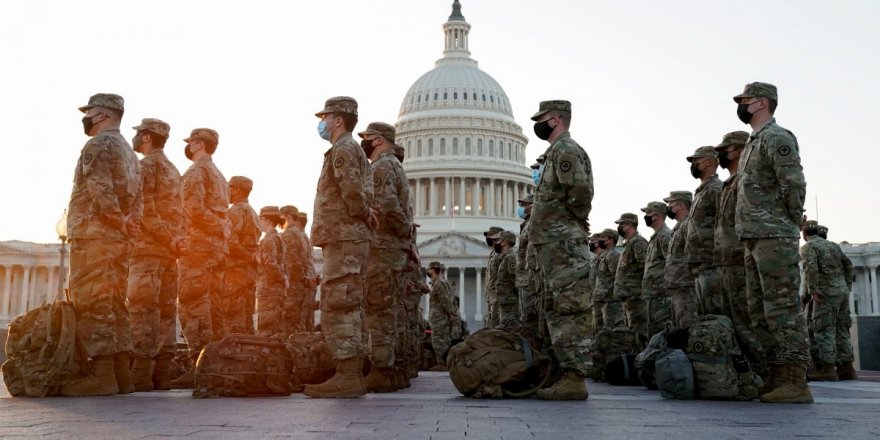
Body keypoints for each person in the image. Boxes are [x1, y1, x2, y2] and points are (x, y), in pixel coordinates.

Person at [733, 81, 811, 403]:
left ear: (762, 103)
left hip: (774, 235)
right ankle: (777, 375)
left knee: (782, 310)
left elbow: (793, 183)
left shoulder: (777, 137)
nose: (741, 105)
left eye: (745, 100)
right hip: (754, 236)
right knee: (759, 311)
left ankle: (795, 381)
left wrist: (787, 221)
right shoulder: (754, 141)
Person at [62, 93, 142, 396]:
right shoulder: (130, 153)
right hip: (119, 238)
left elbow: (99, 187)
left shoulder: (97, 145)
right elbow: (139, 198)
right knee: (115, 301)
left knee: (93, 300)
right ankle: (122, 373)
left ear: (104, 116)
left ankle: (102, 373)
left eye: (90, 112)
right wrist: (128, 224)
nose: (85, 117)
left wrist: (114, 219)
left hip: (94, 232)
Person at [305, 97, 376, 398]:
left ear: (338, 120)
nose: (321, 122)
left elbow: (351, 190)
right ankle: (350, 371)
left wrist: (362, 211)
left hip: (344, 236)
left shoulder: (344, 149)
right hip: (347, 236)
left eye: (325, 116)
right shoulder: (349, 149)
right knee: (347, 303)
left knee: (339, 303)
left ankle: (347, 374)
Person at [529, 100, 593, 400]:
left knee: (569, 308)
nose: (537, 124)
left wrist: (572, 221)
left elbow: (580, 192)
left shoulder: (565, 151)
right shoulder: (554, 153)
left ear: (555, 119)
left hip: (564, 243)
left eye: (541, 119)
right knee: (556, 308)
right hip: (554, 245)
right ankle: (562, 373)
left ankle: (574, 377)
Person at [127, 117, 186, 392]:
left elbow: (145, 208)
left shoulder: (146, 166)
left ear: (148, 137)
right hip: (168, 253)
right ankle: (161, 373)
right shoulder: (173, 169)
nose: (136, 138)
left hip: (148, 249)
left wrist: (165, 237)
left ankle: (141, 373)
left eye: (139, 134)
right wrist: (175, 241)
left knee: (143, 309)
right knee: (165, 311)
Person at [357, 122, 413, 392]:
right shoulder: (396, 166)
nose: (364, 143)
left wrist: (402, 230)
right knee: (388, 310)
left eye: (366, 138)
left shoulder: (381, 167)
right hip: (392, 249)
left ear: (378, 140)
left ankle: (381, 370)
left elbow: (388, 204)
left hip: (383, 248)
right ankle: (392, 369)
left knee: (378, 310)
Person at [172, 128, 228, 389]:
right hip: (217, 248)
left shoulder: (195, 172)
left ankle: (199, 364)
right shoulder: (219, 174)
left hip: (198, 244)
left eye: (190, 142)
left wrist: (214, 226)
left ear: (197, 145)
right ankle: (214, 362)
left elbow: (192, 209)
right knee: (213, 304)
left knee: (193, 302)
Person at [714, 131, 765, 377]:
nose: (720, 154)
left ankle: (764, 372)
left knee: (747, 321)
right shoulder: (729, 183)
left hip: (739, 259)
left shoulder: (744, 179)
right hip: (725, 262)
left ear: (736, 150)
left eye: (724, 149)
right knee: (734, 322)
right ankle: (749, 374)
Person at [800, 220, 855, 381]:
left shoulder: (809, 247)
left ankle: (828, 369)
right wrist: (846, 285)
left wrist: (813, 289)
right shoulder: (833, 245)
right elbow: (848, 265)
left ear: (804, 233)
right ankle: (847, 368)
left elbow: (810, 268)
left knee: (824, 330)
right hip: (842, 292)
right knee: (842, 329)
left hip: (825, 294)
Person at [685, 146, 724, 315]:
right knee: (704, 315)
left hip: (712, 263)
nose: (693, 165)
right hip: (701, 265)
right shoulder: (702, 191)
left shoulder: (715, 188)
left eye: (696, 161)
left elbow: (726, 221)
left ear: (709, 161)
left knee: (714, 314)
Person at [224, 176, 260, 334]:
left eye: (229, 187)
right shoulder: (252, 213)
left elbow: (230, 242)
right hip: (249, 274)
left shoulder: (235, 211)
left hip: (235, 273)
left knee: (233, 319)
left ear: (237, 190)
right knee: (246, 319)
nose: (227, 191)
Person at [612, 213, 648, 345]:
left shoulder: (638, 242)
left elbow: (645, 267)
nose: (619, 227)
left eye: (622, 224)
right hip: (628, 297)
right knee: (631, 332)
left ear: (630, 225)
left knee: (639, 332)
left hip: (636, 296)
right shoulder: (629, 244)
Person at [663, 191, 696, 329]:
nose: (668, 207)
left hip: (685, 284)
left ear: (680, 205)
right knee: (679, 326)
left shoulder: (688, 224)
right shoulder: (678, 227)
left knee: (687, 325)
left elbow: (692, 253)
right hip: (677, 284)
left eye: (671, 203)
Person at [640, 201, 672, 338]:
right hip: (653, 295)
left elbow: (671, 263)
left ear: (657, 215)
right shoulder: (656, 237)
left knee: (662, 333)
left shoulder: (665, 236)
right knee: (654, 334)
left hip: (662, 296)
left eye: (648, 213)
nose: (646, 216)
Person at [256, 206, 287, 337]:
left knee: (266, 329)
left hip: (269, 288)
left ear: (267, 220)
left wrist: (281, 279)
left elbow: (271, 264)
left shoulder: (269, 239)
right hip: (275, 288)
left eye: (260, 219)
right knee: (276, 327)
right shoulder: (278, 238)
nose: (259, 223)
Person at [516, 193, 541, 346]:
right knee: (527, 318)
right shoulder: (525, 225)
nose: (521, 208)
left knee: (532, 318)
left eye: (525, 205)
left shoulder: (535, 222)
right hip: (525, 279)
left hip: (531, 278)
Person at [280, 205, 307, 335]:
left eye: (281, 218)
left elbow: (292, 260)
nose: (279, 223)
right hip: (299, 282)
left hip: (292, 283)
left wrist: (298, 278)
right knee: (296, 320)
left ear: (288, 217)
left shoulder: (289, 234)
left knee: (289, 321)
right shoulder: (299, 233)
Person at [427, 262, 456, 371]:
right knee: (441, 339)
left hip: (439, 318)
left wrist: (451, 314)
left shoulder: (439, 283)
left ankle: (442, 362)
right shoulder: (438, 282)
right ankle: (443, 361)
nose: (427, 271)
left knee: (439, 340)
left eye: (429, 269)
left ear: (433, 270)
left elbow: (445, 301)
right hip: (439, 317)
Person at [295, 211, 319, 330]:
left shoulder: (299, 238)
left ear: (298, 222)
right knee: (308, 319)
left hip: (306, 282)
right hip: (310, 280)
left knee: (301, 318)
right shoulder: (306, 238)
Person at [493, 231, 520, 332]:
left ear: (504, 242)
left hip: (511, 304)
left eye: (497, 240)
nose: (495, 243)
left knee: (511, 331)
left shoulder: (511, 257)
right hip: (506, 303)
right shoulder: (504, 258)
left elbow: (516, 281)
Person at [595, 229, 622, 329]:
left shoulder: (613, 255)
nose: (600, 240)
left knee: (611, 329)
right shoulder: (604, 255)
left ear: (611, 240)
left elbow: (616, 276)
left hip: (610, 300)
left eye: (603, 238)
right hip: (602, 299)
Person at [482, 226, 503, 328]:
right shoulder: (493, 254)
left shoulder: (502, 254)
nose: (488, 238)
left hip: (500, 298)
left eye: (490, 235)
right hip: (492, 298)